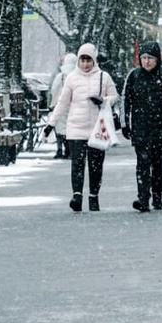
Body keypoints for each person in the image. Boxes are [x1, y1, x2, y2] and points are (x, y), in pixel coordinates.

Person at [44, 43, 118, 212]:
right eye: (82, 60)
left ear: (94, 60)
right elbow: (62, 104)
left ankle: (93, 196)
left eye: (89, 60)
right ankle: (77, 195)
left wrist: (104, 100)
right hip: (76, 128)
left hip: (97, 129)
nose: (85, 64)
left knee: (96, 165)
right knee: (77, 164)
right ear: (78, 60)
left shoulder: (104, 77)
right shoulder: (71, 78)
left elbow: (114, 96)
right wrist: (51, 125)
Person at [121, 41, 162, 213]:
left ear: (157, 59)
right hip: (140, 128)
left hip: (161, 128)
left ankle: (157, 195)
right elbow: (126, 100)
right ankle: (143, 198)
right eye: (144, 58)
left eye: (150, 58)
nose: (146, 62)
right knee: (142, 164)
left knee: (158, 164)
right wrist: (125, 124)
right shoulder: (133, 76)